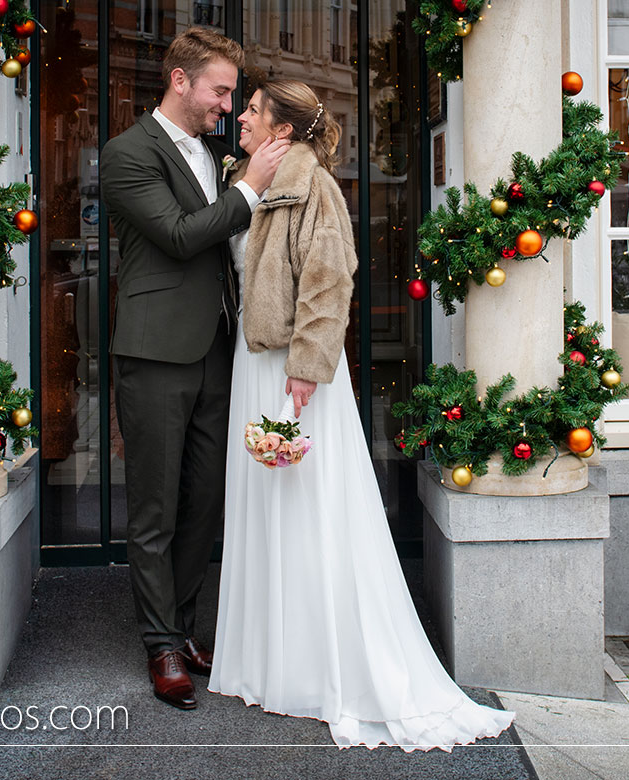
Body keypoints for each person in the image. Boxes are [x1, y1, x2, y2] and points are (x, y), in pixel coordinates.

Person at [209, 79, 515, 751]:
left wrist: (305, 370)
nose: (243, 118)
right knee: (265, 504)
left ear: (283, 129)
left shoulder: (313, 186)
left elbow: (329, 281)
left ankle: (319, 664)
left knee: (309, 507)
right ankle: (269, 659)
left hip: (294, 370)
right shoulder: (246, 179)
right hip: (252, 359)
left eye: (255, 110)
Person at [100, 28, 290, 710]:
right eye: (218, 90)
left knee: (206, 499)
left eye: (230, 93)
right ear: (179, 81)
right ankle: (161, 645)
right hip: (153, 352)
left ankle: (181, 624)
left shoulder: (215, 155)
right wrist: (249, 189)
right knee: (154, 506)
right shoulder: (127, 154)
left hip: (218, 348)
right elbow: (181, 237)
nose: (225, 104)